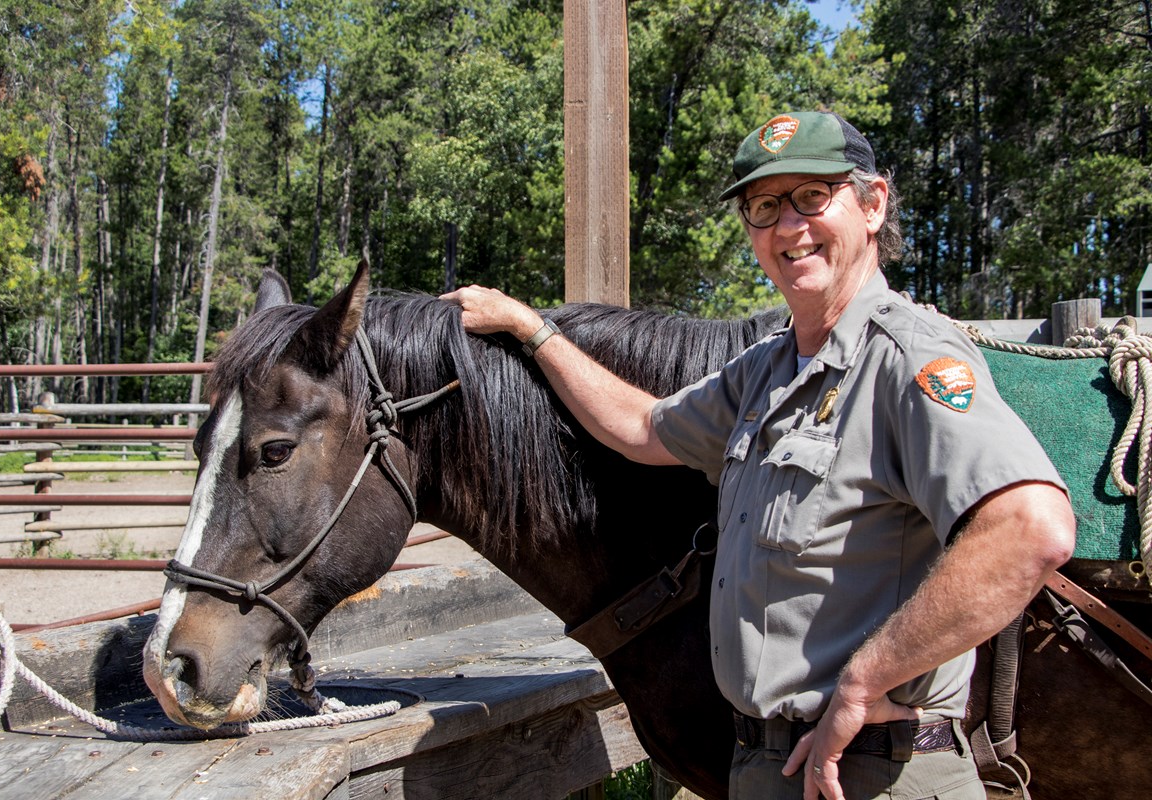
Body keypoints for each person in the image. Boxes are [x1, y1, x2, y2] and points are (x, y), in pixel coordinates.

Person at [440, 110, 1076, 800]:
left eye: (812, 197)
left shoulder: (908, 360)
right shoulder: (767, 372)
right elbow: (644, 428)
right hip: (763, 767)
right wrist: (534, 330)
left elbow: (1029, 528)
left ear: (872, 204)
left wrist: (865, 681)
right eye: (764, 206)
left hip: (875, 772)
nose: (788, 226)